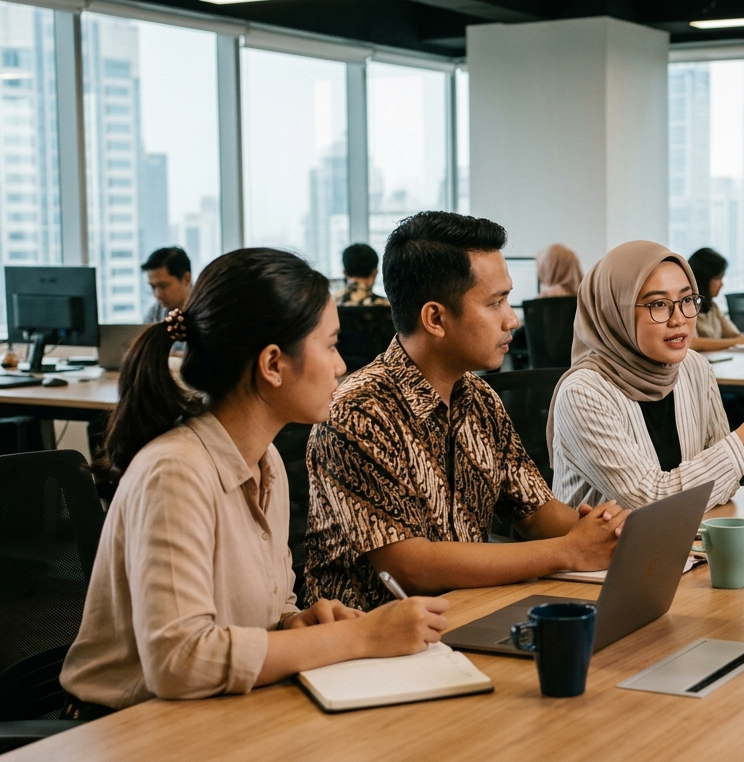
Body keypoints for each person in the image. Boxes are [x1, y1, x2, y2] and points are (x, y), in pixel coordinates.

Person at [60, 248, 448, 718]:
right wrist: (360, 636)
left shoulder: (266, 462)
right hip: (128, 729)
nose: (341, 365)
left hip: (216, 715)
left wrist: (294, 622)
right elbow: (179, 661)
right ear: (272, 364)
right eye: (329, 345)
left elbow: (265, 605)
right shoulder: (175, 472)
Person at [305, 212, 628, 612]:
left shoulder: (479, 398)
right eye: (495, 303)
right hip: (372, 642)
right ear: (435, 318)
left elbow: (536, 514)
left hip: (469, 612)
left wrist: (612, 533)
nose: (511, 319)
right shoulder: (359, 411)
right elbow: (412, 568)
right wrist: (570, 552)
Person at [550, 240, 744, 511]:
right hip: (600, 564)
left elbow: (728, 483)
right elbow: (649, 503)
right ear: (615, 312)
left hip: (682, 544)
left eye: (687, 300)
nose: (679, 319)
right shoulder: (584, 392)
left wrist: (713, 477)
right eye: (658, 304)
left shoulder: (694, 367)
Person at [686, 247, 744, 352]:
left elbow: (734, 335)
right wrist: (738, 341)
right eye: (718, 278)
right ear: (703, 279)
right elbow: (693, 343)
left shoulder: (712, 306)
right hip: (698, 365)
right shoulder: (686, 306)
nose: (722, 284)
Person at [141, 246, 194, 323]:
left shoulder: (207, 309)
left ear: (186, 279)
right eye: (153, 287)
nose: (158, 295)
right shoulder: (155, 313)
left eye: (163, 286)